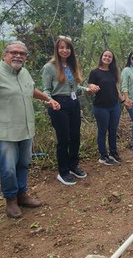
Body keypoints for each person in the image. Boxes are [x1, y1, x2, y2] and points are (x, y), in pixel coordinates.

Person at [0, 40, 59, 219]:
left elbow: (31, 90)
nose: (18, 56)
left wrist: (48, 99)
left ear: (26, 57)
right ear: (5, 55)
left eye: (22, 53)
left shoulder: (24, 73)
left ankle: (22, 194)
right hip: (3, 133)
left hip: (25, 130)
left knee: (23, 164)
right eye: (13, 52)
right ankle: (11, 200)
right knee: (8, 168)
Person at [42, 36, 99, 186]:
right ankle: (63, 171)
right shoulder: (49, 67)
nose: (64, 50)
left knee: (75, 137)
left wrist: (87, 89)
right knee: (64, 140)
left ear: (71, 50)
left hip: (73, 103)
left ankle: (73, 166)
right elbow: (46, 90)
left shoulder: (70, 65)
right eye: (61, 47)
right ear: (57, 49)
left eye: (67, 48)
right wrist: (50, 101)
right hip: (59, 105)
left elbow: (74, 87)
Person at [89, 49, 125, 166]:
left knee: (113, 130)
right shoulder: (95, 72)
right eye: (105, 56)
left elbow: (116, 88)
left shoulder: (113, 72)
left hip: (114, 106)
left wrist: (123, 100)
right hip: (101, 107)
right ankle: (103, 156)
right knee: (102, 131)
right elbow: (90, 86)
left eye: (110, 56)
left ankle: (113, 153)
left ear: (112, 59)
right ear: (101, 57)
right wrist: (92, 87)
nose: (107, 58)